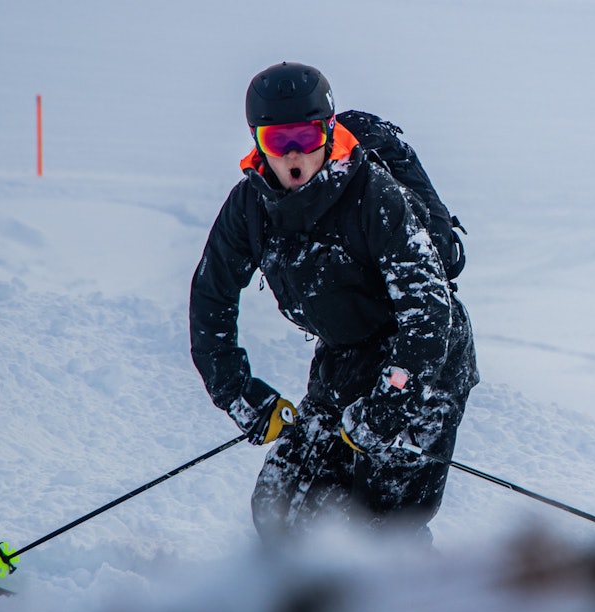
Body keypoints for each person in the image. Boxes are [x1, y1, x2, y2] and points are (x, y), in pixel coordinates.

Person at [189, 62, 478, 544]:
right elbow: (211, 298)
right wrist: (239, 393)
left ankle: (415, 591)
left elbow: (428, 313)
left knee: (378, 524)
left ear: (327, 131)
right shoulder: (250, 208)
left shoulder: (373, 195)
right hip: (344, 359)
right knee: (279, 506)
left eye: (306, 136)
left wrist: (387, 408)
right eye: (278, 140)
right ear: (258, 144)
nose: (295, 154)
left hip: (427, 362)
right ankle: (297, 591)